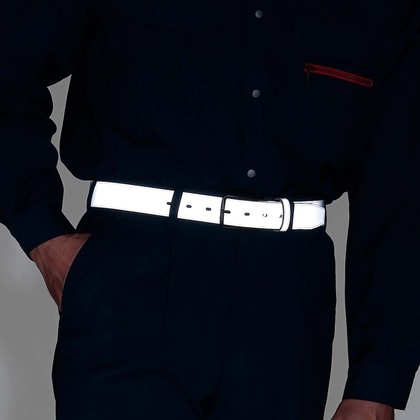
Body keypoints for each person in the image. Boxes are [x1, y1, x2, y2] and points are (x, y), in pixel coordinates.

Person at [0, 1, 419, 419]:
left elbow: (398, 182)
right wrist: (44, 236)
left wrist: (376, 385)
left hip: (287, 303)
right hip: (131, 280)